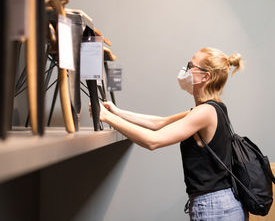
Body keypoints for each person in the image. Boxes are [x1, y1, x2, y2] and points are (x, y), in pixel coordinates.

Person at [98, 47, 248, 221]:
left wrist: (107, 118)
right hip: (221, 204)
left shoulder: (204, 112)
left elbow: (152, 141)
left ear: (206, 76)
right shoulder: (212, 108)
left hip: (215, 207)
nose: (185, 70)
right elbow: (159, 123)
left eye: (190, 65)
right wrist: (116, 112)